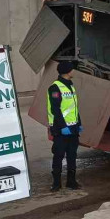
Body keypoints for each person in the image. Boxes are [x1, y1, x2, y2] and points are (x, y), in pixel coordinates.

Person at [48, 61, 82, 191]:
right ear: (68, 71)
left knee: (72, 155)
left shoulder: (70, 86)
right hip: (61, 130)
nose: (74, 71)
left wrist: (79, 123)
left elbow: (74, 107)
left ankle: (71, 182)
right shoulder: (55, 88)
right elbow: (55, 109)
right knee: (59, 155)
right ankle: (56, 184)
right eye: (72, 69)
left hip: (72, 128)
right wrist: (62, 126)